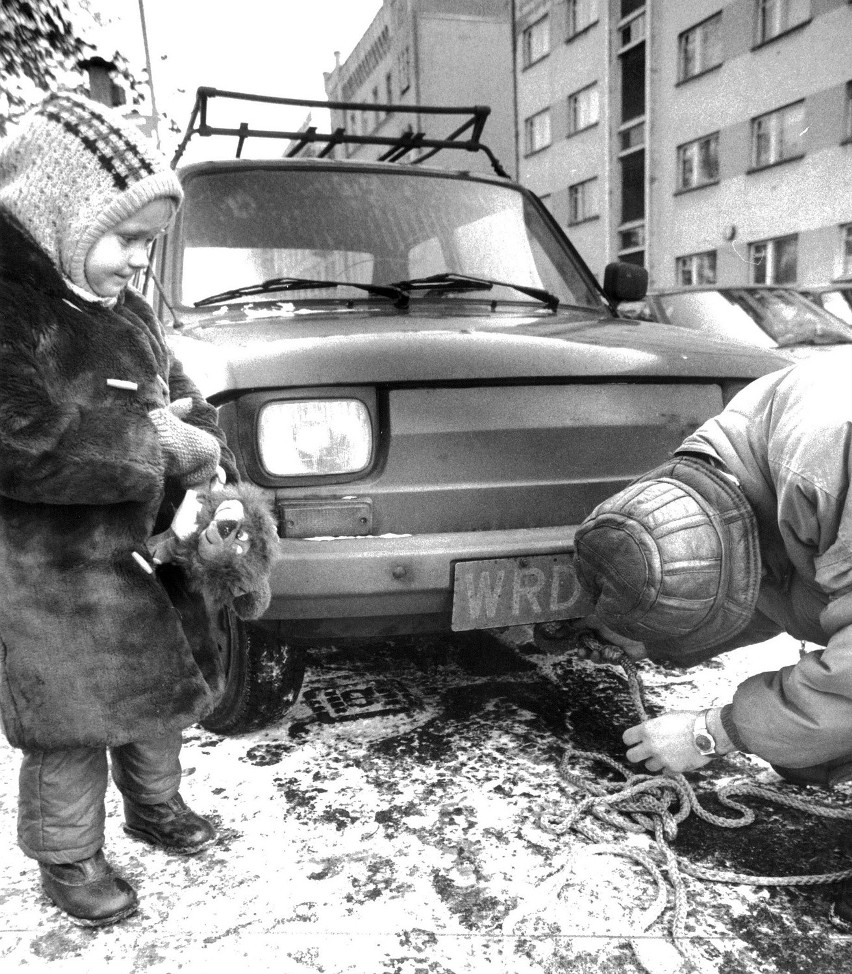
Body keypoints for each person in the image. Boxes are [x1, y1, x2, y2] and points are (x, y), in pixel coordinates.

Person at [0, 91, 239, 927]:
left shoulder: (130, 312)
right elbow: (20, 441)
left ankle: (155, 806)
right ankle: (68, 856)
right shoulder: (15, 310)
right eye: (127, 237)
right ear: (61, 211)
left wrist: (202, 450)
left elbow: (184, 403)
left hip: (149, 557)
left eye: (150, 243)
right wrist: (154, 447)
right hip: (53, 578)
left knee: (158, 704)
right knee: (72, 727)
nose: (140, 259)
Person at [570, 351, 852, 925]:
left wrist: (713, 732)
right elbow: (778, 579)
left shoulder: (824, 466)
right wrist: (654, 635)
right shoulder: (736, 453)